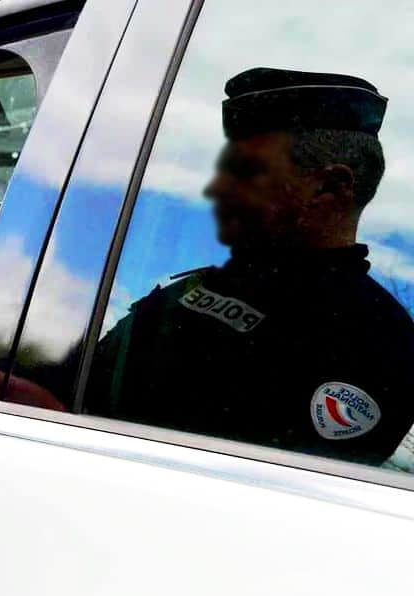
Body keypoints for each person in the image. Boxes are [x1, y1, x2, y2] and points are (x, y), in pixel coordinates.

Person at [87, 67, 414, 466]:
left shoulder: (377, 343)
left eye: (246, 172)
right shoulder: (205, 285)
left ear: (330, 188)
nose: (217, 188)